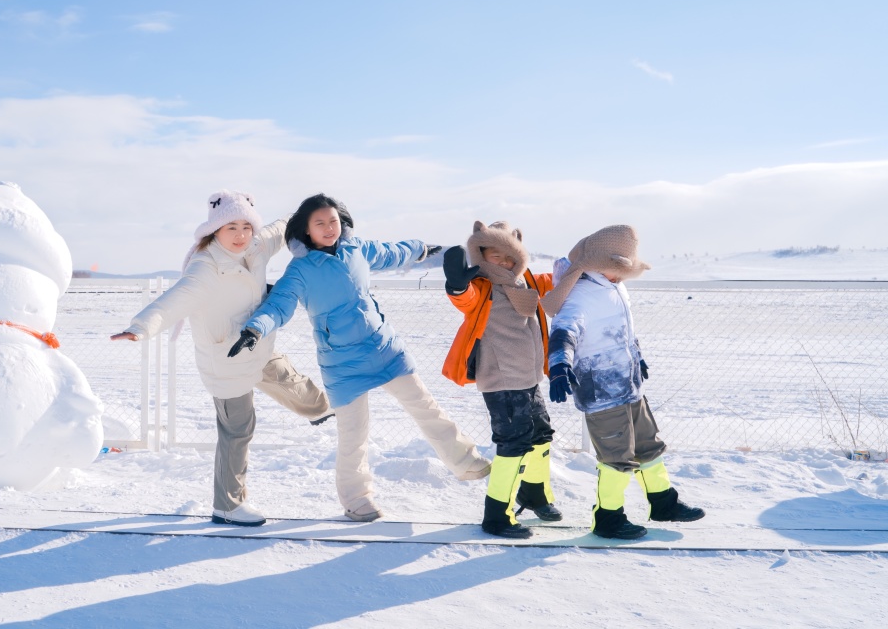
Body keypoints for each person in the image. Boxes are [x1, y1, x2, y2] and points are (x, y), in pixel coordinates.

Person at [227, 193, 491, 522]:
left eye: (333, 221)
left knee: (425, 407)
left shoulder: (357, 249)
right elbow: (278, 305)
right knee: (354, 435)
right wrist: (255, 330)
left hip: (384, 348)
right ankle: (356, 499)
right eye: (320, 223)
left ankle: (467, 463)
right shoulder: (300, 271)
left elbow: (392, 252)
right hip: (342, 364)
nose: (329, 228)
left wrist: (422, 250)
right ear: (307, 229)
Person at [112, 190, 331, 527]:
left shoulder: (257, 245)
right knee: (238, 431)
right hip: (226, 359)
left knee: (289, 378)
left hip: (256, 343)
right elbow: (174, 301)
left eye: (246, 226)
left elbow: (280, 228)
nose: (241, 235)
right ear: (215, 229)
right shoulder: (206, 267)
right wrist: (140, 327)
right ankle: (228, 506)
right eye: (232, 227)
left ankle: (322, 410)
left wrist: (310, 214)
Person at [541, 224, 705, 539]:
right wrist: (559, 365)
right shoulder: (581, 295)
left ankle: (663, 502)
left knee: (648, 445)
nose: (621, 276)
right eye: (618, 270)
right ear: (600, 265)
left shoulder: (614, 288)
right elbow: (563, 332)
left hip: (629, 385)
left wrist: (637, 356)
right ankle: (608, 517)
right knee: (616, 456)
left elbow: (624, 331)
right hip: (602, 391)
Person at [441, 220, 562, 539]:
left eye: (511, 256)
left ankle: (534, 494)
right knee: (514, 443)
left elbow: (552, 281)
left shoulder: (524, 280)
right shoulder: (482, 285)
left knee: (540, 435)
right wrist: (456, 285)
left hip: (528, 377)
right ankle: (497, 516)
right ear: (481, 254)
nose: (505, 262)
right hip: (502, 381)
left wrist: (581, 269)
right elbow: (465, 299)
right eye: (497, 255)